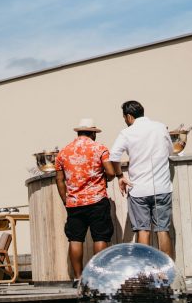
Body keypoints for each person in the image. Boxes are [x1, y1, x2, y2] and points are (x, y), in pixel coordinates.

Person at [109, 100, 175, 256]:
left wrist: (120, 175)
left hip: (138, 189)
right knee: (162, 230)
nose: (125, 121)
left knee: (143, 230)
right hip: (162, 187)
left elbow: (114, 156)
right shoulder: (160, 127)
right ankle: (168, 273)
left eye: (124, 118)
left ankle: (144, 274)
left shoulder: (127, 133)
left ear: (129, 117)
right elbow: (170, 151)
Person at [54, 118, 115, 285]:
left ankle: (78, 277)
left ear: (78, 132)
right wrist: (106, 177)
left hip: (74, 203)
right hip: (97, 200)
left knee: (75, 239)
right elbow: (110, 172)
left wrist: (66, 199)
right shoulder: (100, 149)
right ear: (93, 133)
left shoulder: (63, 152)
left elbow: (59, 180)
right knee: (100, 237)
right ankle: (99, 277)